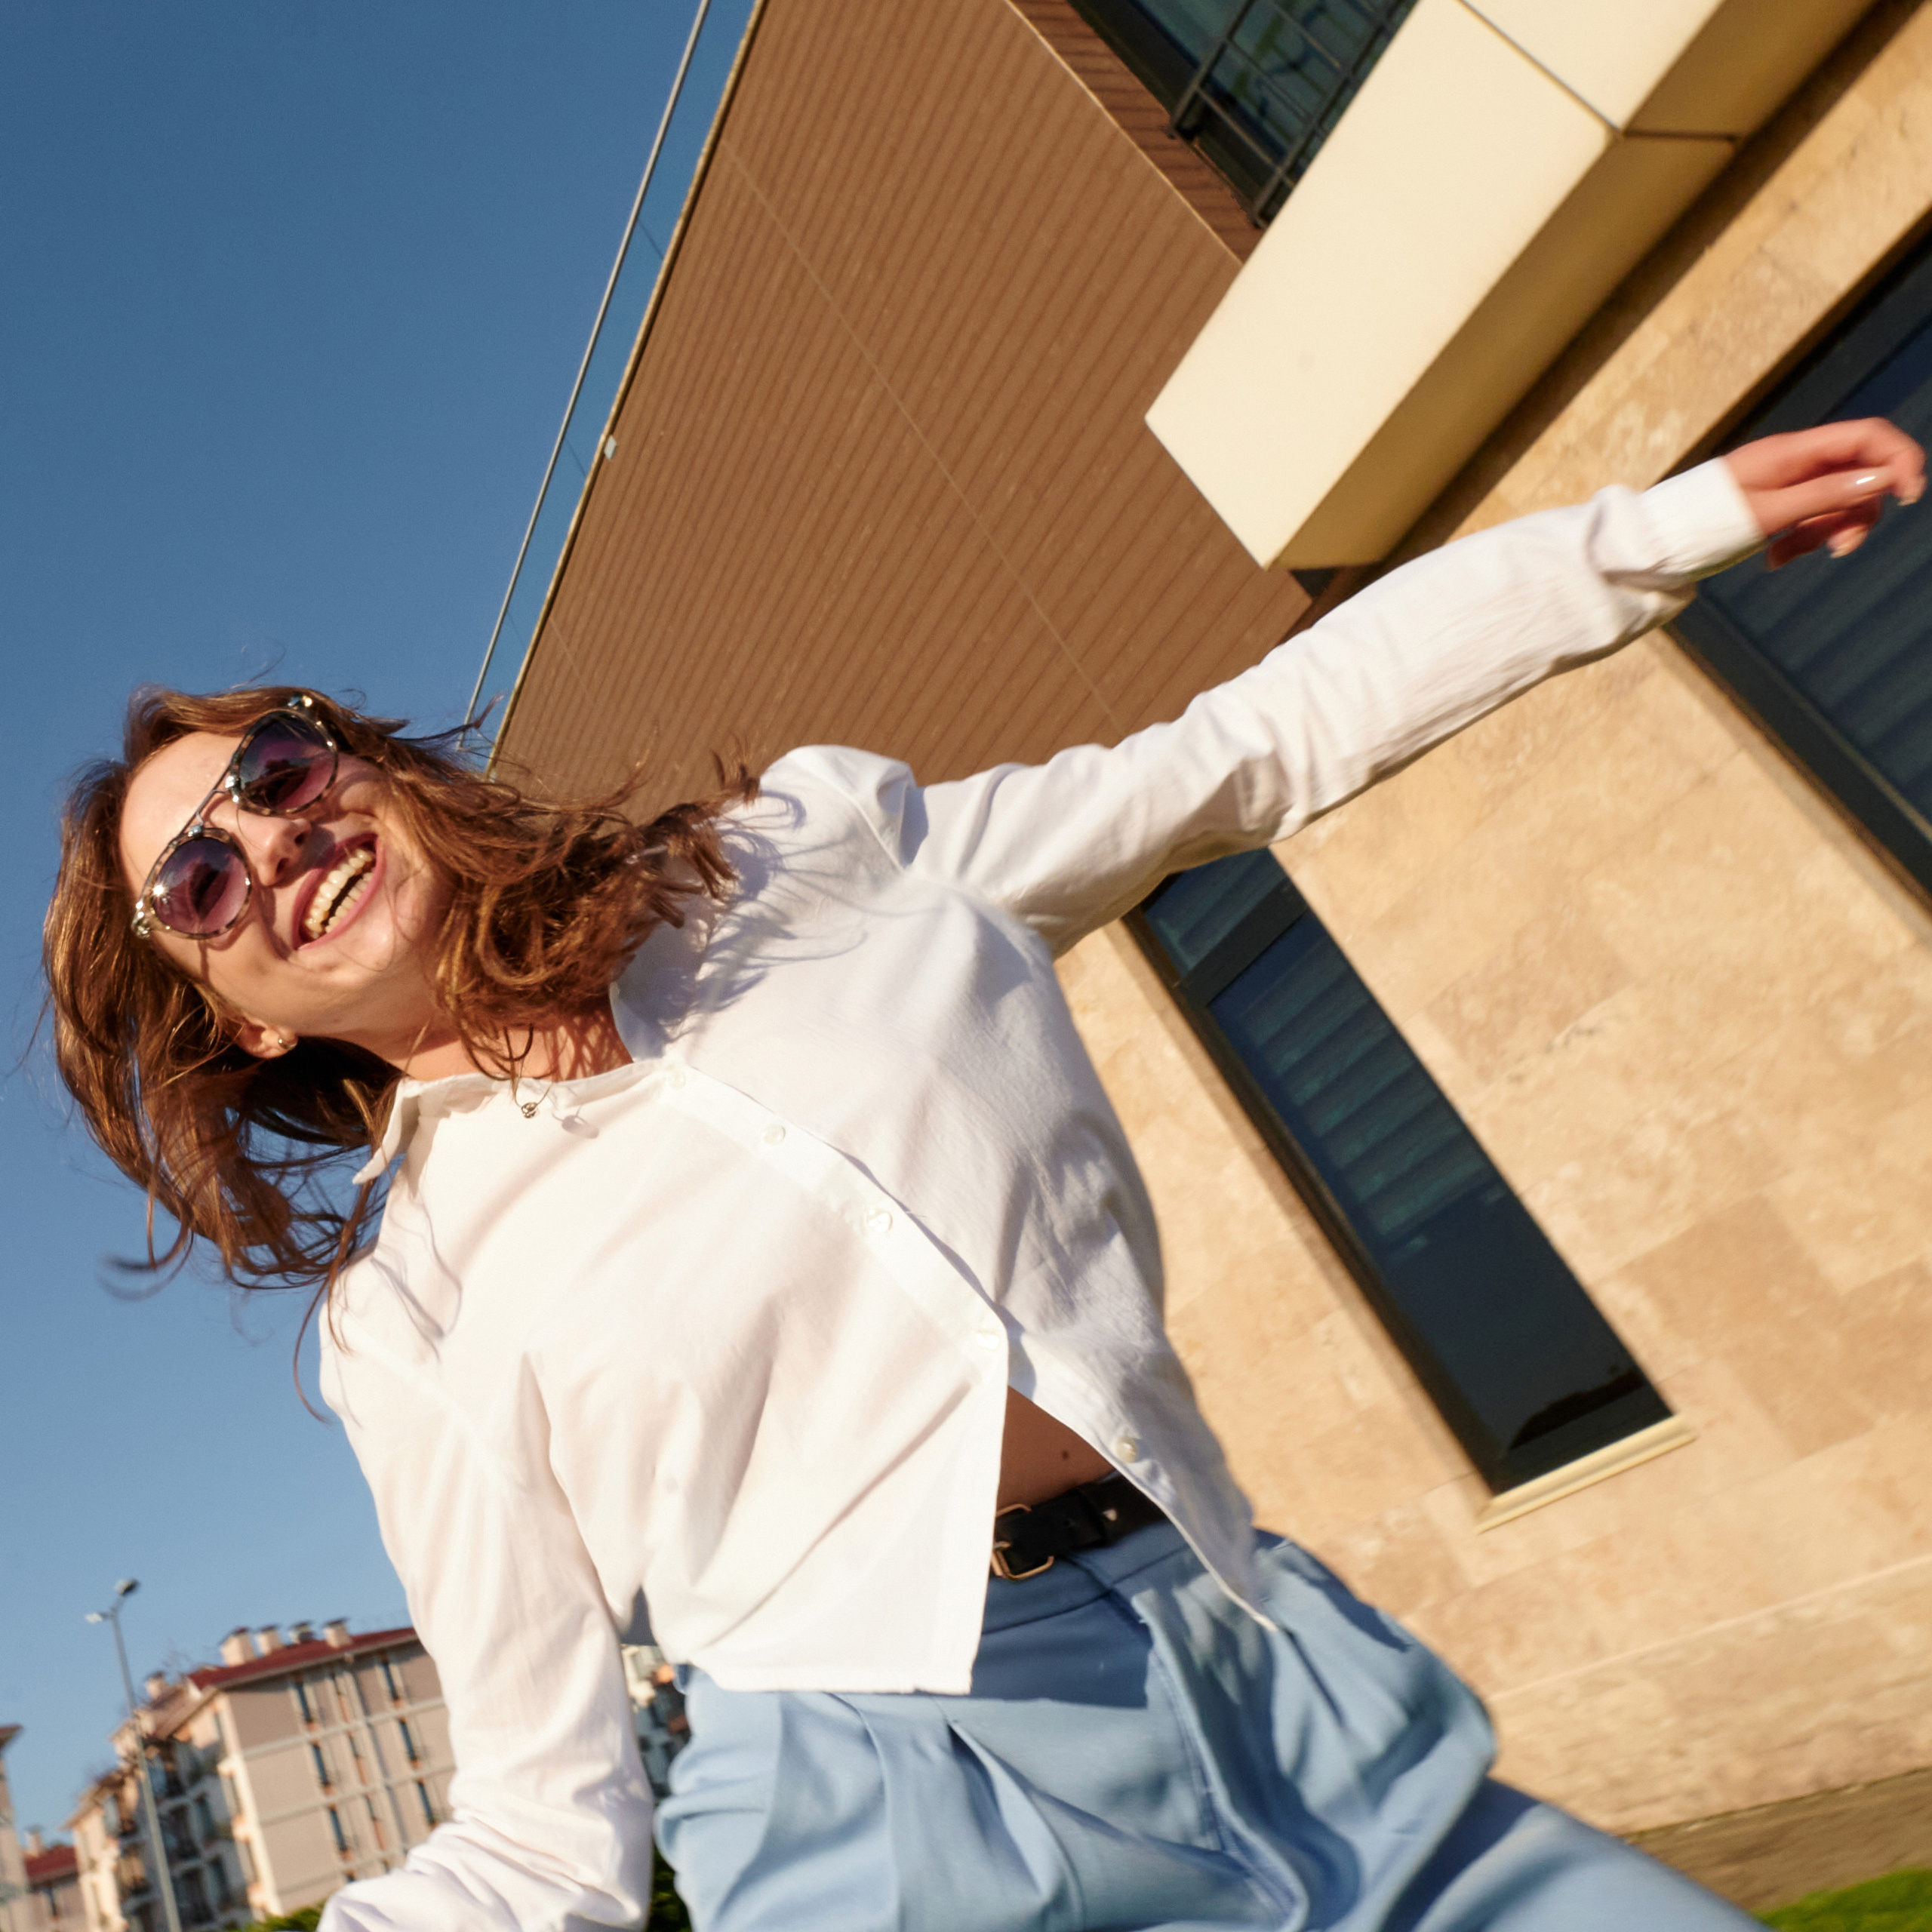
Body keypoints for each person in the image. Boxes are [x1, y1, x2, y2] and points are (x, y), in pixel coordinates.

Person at [45, 420, 1921, 1932]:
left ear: (356, 766)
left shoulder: (804, 867)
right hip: (893, 1819)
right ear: (234, 1015)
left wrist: (1646, 532)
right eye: (198, 880)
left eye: (278, 771)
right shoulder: (412, 1309)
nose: (269, 841)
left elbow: (1241, 748)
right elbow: (545, 1827)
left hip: (1277, 1673)